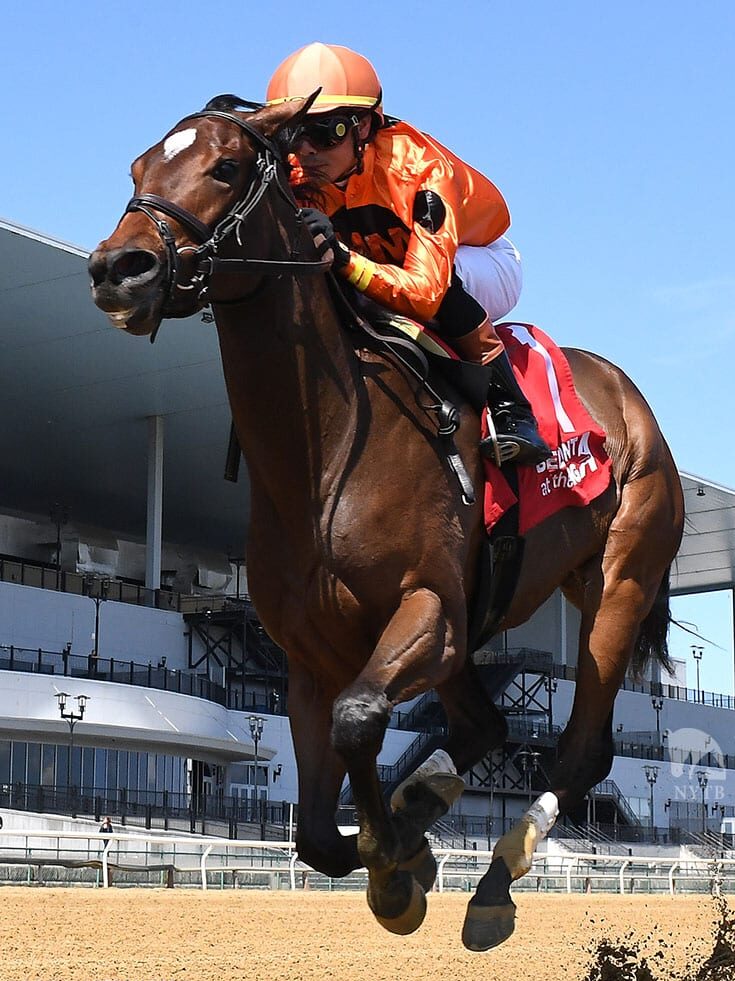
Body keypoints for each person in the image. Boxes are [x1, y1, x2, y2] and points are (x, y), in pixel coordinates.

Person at [266, 42, 550, 466]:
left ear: (363, 127)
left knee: (433, 288)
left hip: (479, 259)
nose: (306, 150)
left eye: (326, 132)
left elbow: (424, 293)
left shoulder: (421, 169)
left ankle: (514, 412)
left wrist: (343, 259)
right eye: (294, 132)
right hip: (387, 261)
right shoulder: (297, 172)